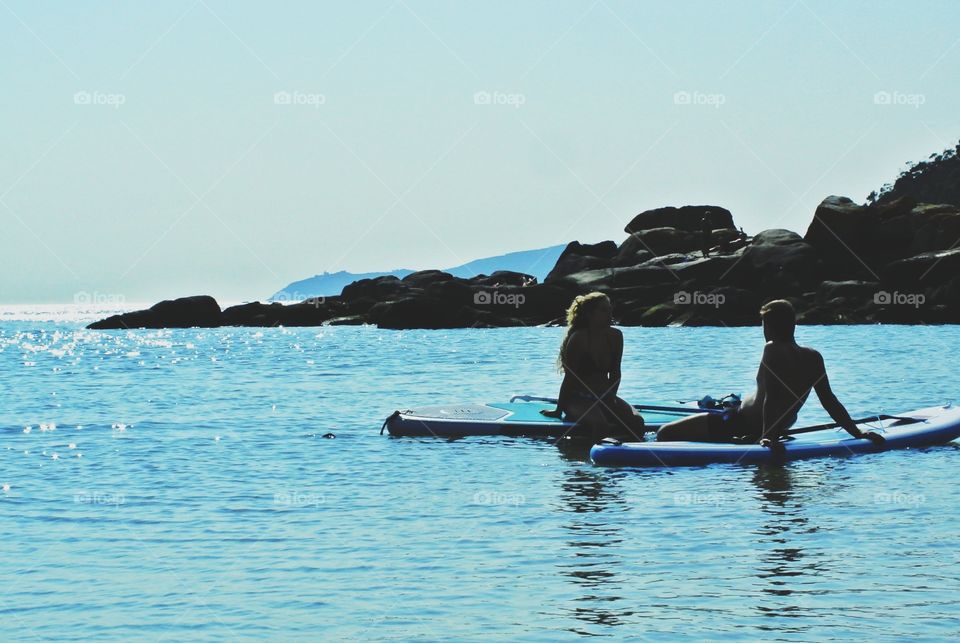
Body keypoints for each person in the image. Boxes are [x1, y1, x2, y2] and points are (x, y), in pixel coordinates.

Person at [656, 299, 885, 449]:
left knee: (664, 433)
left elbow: (772, 398)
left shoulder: (772, 348)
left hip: (739, 423)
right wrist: (857, 432)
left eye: (763, 324)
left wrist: (767, 437)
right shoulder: (814, 356)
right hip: (773, 425)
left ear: (770, 326)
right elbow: (829, 401)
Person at [541, 292, 646, 440]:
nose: (610, 313)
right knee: (600, 425)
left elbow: (616, 373)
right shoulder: (579, 338)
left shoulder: (616, 336)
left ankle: (632, 457)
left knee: (637, 422)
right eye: (604, 310)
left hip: (605, 396)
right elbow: (570, 378)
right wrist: (558, 410)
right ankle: (597, 460)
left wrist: (611, 398)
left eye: (610, 309)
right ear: (590, 314)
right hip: (577, 399)